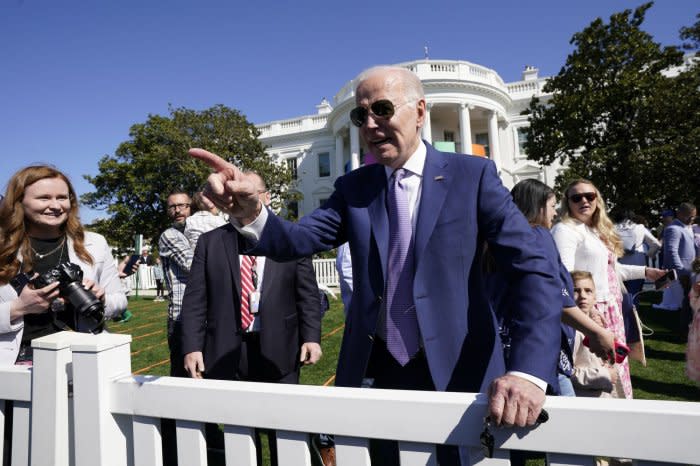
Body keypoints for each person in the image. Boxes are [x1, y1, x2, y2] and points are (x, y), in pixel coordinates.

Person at [190, 65, 563, 465]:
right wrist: (251, 213)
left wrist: (527, 371)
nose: (370, 124)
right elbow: (296, 240)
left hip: (463, 370)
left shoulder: (473, 176)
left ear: (420, 112)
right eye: (360, 114)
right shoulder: (355, 187)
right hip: (377, 372)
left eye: (383, 109)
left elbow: (534, 271)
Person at [181, 172, 322, 466]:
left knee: (286, 432)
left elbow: (307, 294)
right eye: (237, 196)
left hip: (281, 349)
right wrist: (192, 346)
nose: (243, 201)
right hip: (227, 351)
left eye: (251, 193)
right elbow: (196, 298)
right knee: (239, 433)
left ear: (265, 197)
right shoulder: (210, 243)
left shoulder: (288, 237)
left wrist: (311, 337)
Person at [0, 165, 127, 366]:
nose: (56, 205)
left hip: (83, 360)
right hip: (15, 366)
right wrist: (18, 308)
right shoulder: (3, 247)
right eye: (44, 198)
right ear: (19, 201)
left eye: (62, 197)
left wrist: (101, 300)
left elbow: (120, 301)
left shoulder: (95, 243)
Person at [551, 179, 666, 399]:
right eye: (576, 197)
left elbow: (610, 270)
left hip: (611, 307)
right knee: (596, 373)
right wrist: (589, 310)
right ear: (568, 202)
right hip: (590, 309)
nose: (584, 201)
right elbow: (562, 275)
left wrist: (646, 272)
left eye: (589, 196)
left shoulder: (594, 229)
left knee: (615, 369)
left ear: (598, 199)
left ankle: (618, 420)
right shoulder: (565, 229)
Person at [505, 179, 615, 395]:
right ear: (538, 206)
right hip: (544, 347)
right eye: (552, 206)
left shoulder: (510, 240)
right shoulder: (539, 236)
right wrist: (596, 332)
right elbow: (555, 294)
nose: (555, 213)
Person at [158, 192, 193, 378]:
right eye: (172, 207)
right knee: (183, 374)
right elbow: (192, 265)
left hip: (204, 316)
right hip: (181, 316)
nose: (178, 210)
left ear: (191, 207)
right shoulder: (169, 235)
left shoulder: (195, 234)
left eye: (183, 205)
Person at [569, 271, 618, 398]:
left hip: (603, 397)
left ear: (595, 297)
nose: (583, 296)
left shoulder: (598, 326)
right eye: (576, 290)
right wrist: (604, 375)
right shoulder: (570, 332)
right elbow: (566, 373)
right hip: (583, 400)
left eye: (588, 291)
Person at [663, 202, 697, 340]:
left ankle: (687, 331)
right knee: (687, 303)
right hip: (682, 272)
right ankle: (684, 332)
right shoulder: (674, 229)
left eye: (693, 217)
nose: (692, 219)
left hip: (691, 272)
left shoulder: (687, 227)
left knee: (690, 302)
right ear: (680, 214)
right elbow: (672, 252)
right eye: (690, 216)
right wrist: (682, 272)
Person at [613, 210, 661, 297]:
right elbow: (656, 244)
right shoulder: (640, 228)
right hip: (638, 266)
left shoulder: (612, 228)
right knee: (634, 295)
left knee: (618, 296)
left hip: (617, 266)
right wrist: (648, 254)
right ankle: (633, 309)